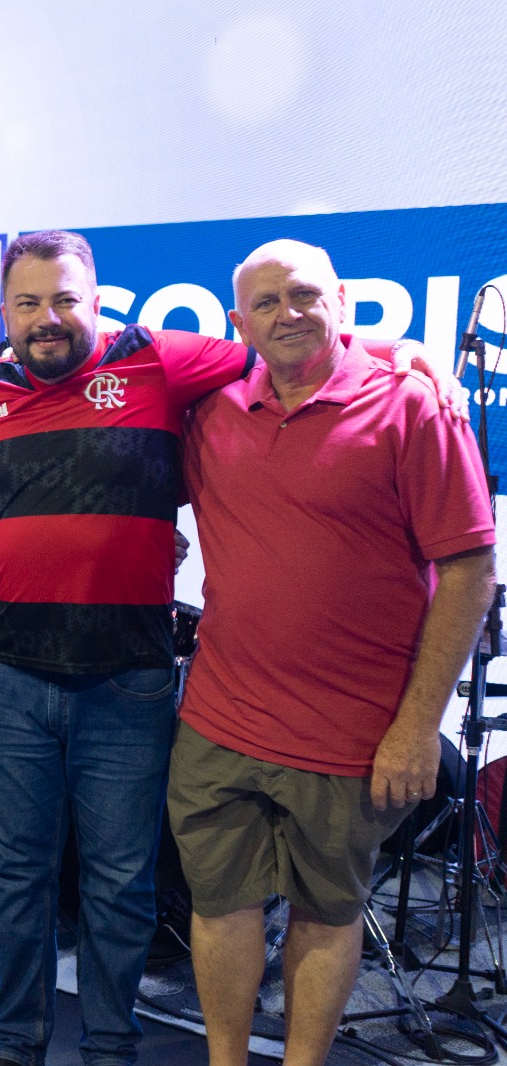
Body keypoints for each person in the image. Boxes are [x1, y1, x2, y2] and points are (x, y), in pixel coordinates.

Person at [171, 239, 496, 1066]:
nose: (288, 314)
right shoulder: (210, 411)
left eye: (305, 295)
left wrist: (417, 729)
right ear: (238, 322)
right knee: (220, 904)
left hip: (353, 735)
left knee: (327, 913)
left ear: (341, 301)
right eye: (266, 302)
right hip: (219, 723)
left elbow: (470, 571)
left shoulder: (414, 405)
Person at [0, 231, 255, 1066]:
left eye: (64, 300)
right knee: (14, 880)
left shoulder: (156, 360)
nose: (47, 319)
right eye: (27, 304)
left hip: (126, 685)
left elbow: (280, 351)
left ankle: (109, 1052)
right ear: (5, 313)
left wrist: (393, 359)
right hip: (10, 680)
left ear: (97, 302)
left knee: (121, 887)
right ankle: (15, 1048)